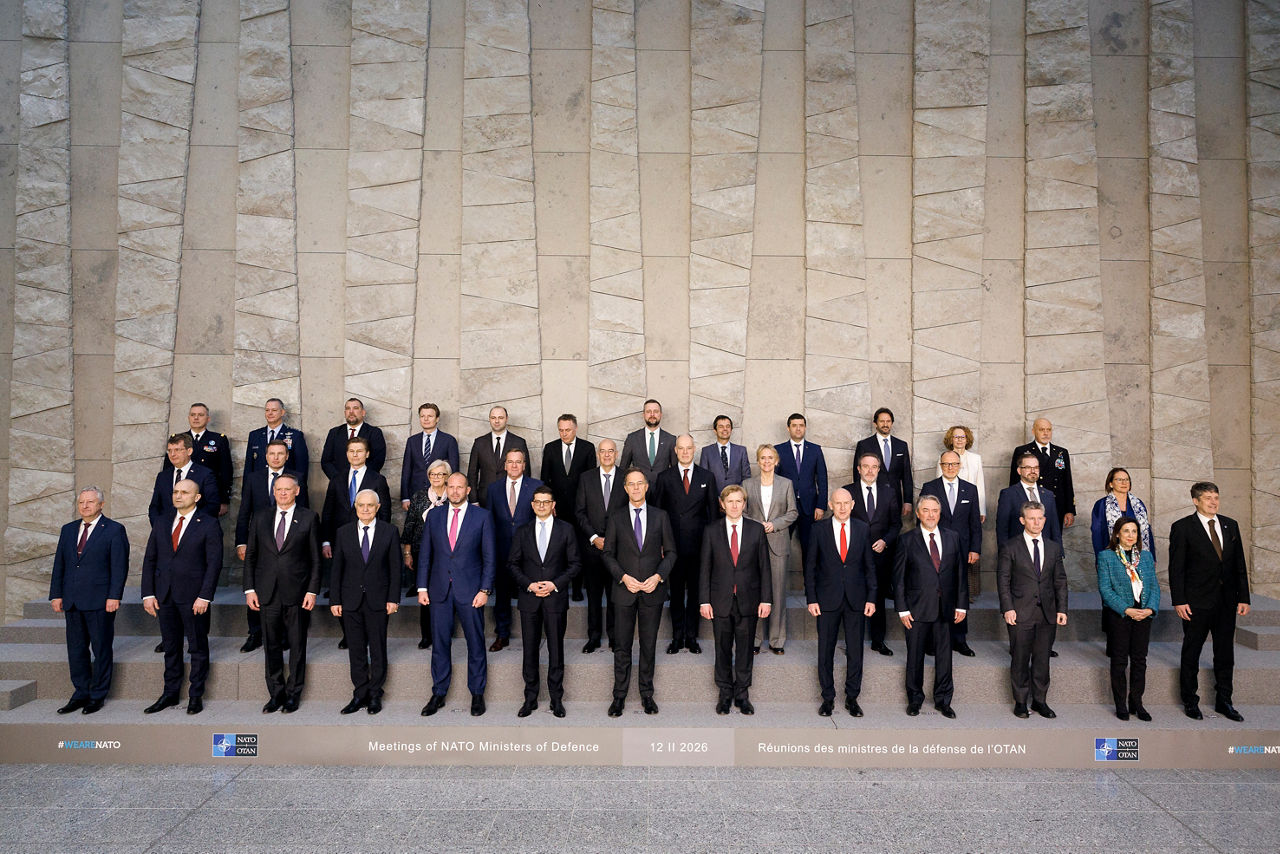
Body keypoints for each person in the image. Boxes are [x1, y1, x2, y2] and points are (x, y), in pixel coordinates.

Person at [1169, 481, 1251, 722]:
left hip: (1226, 602)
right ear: (1196, 501)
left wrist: (1243, 597)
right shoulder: (1183, 528)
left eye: (1216, 497)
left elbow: (1239, 565)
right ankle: (1190, 701)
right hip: (1195, 602)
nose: (1213, 501)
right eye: (1207, 498)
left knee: (1225, 653)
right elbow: (1176, 568)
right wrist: (1179, 600)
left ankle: (1224, 700)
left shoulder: (1230, 525)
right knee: (1191, 652)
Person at [140, 479, 223, 715]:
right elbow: (150, 559)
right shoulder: (162, 521)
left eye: (184, 492)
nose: (178, 495)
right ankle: (170, 693)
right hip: (164, 595)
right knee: (171, 647)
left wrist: (205, 596)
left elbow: (214, 563)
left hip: (193, 597)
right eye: (175, 491)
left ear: (197, 497)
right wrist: (148, 593)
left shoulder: (208, 524)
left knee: (197, 646)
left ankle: (195, 695)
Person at [418, 473, 496, 717]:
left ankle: (477, 693)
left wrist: (485, 590)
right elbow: (425, 554)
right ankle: (439, 693)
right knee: (440, 643)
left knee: (475, 643)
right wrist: (422, 587)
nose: (454, 491)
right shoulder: (434, 515)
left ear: (468, 490)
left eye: (459, 487)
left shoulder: (481, 517)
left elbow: (489, 557)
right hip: (439, 589)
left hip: (471, 591)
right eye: (450, 487)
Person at [242, 472, 321, 714]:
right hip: (266, 592)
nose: (283, 493)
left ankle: (293, 694)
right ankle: (275, 694)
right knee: (271, 645)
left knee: (297, 646)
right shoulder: (260, 517)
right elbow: (251, 557)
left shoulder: (308, 518)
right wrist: (249, 589)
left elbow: (316, 560)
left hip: (297, 593)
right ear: (273, 491)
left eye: (288, 489)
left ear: (297, 491)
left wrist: (312, 591)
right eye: (279, 489)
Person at [603, 467, 677, 716]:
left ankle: (647, 694)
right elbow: (608, 554)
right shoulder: (615, 517)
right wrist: (623, 577)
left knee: (648, 645)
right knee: (622, 647)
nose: (635, 488)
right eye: (631, 484)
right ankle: (619, 696)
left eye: (640, 483)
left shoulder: (661, 516)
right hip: (624, 592)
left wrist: (658, 577)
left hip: (651, 590)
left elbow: (672, 553)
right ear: (625, 489)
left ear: (646, 487)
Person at [49, 486, 129, 715]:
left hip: (100, 601)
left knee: (101, 649)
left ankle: (97, 696)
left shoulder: (114, 530)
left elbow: (119, 566)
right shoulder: (68, 530)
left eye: (90, 502)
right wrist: (56, 594)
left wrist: (114, 596)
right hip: (72, 601)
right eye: (81, 502)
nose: (85, 506)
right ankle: (80, 692)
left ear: (101, 504)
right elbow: (60, 565)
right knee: (76, 650)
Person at [508, 485, 581, 718]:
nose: (541, 505)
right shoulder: (522, 531)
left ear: (553, 505)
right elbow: (512, 564)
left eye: (546, 501)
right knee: (529, 649)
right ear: (532, 505)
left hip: (555, 598)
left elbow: (575, 564)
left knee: (556, 650)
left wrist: (554, 584)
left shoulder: (566, 530)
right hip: (529, 599)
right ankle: (530, 698)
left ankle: (556, 699)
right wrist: (529, 584)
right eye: (537, 501)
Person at [699, 485, 771, 715]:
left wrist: (766, 600)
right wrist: (704, 601)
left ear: (744, 503)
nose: (734, 505)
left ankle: (742, 694)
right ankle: (725, 693)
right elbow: (705, 569)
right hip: (720, 600)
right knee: (722, 648)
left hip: (748, 600)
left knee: (745, 648)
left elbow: (765, 568)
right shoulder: (711, 531)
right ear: (722, 504)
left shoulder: (756, 530)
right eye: (729, 501)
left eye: (738, 501)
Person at [805, 488, 876, 717]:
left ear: (853, 504)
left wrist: (872, 598)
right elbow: (810, 568)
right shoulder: (818, 530)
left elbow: (869, 567)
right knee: (825, 650)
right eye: (838, 503)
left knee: (856, 651)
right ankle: (828, 698)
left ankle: (852, 698)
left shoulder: (863, 529)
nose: (843, 507)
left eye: (847, 503)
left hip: (856, 599)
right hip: (826, 600)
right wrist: (812, 599)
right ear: (831, 505)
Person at [330, 489, 401, 716]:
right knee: (356, 649)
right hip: (350, 600)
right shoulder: (343, 533)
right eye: (361, 505)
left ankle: (375, 693)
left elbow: (395, 569)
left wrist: (393, 598)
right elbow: (337, 569)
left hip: (378, 600)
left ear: (378, 507)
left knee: (378, 648)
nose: (366, 509)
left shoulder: (389, 532)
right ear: (356, 506)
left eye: (370, 505)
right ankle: (359, 693)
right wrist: (335, 599)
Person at [894, 495, 966, 718]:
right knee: (915, 655)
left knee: (945, 657)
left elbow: (960, 574)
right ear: (918, 513)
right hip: (916, 609)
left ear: (940, 512)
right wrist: (902, 609)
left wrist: (961, 605)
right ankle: (914, 699)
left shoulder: (953, 537)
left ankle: (943, 700)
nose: (931, 514)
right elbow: (899, 579)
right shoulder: (907, 540)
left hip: (945, 608)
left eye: (935, 510)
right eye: (926, 510)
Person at [234, 439, 308, 653]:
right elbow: (244, 511)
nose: (276, 457)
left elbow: (304, 512)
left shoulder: (296, 478)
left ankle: (283, 635)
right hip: (259, 544)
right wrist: (241, 541)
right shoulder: (253, 478)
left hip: (287, 544)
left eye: (280, 453)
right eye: (271, 453)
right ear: (265, 456)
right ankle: (255, 633)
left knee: (284, 589)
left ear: (287, 456)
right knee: (257, 587)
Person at [996, 501, 1068, 719]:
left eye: (1040, 518)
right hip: (1019, 612)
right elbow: (1003, 580)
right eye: (1031, 518)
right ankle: (1020, 701)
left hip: (1047, 612)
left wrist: (1062, 608)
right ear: (1022, 520)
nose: (1036, 522)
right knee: (1020, 657)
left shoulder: (1054, 547)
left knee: (1042, 658)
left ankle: (1039, 700)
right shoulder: (1010, 546)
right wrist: (1007, 608)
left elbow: (1060, 580)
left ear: (1044, 520)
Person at [652, 434, 718, 654]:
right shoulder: (665, 477)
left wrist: (711, 547)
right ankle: (676, 637)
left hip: (699, 547)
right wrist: (660, 544)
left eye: (689, 448)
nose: (685, 452)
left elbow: (712, 514)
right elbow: (658, 514)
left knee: (697, 594)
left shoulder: (706, 476)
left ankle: (692, 637)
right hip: (673, 547)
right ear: (676, 451)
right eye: (681, 448)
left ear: (694, 449)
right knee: (677, 594)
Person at [919, 451, 982, 657]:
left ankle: (959, 640)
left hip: (962, 550)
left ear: (960, 465)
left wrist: (975, 548)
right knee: (934, 593)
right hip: (935, 549)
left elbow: (974, 523)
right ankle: (932, 640)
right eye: (946, 464)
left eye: (954, 464)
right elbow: (922, 519)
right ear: (941, 465)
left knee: (960, 593)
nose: (950, 467)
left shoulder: (970, 489)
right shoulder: (930, 487)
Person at [1096, 518, 1159, 721]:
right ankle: (1120, 703)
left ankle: (1136, 702)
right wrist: (1126, 609)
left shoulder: (1146, 557)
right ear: (1117, 534)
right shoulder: (1106, 556)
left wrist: (1150, 609)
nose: (1131, 535)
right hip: (1120, 615)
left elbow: (1155, 587)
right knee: (1120, 660)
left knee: (1140, 660)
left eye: (1134, 531)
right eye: (1126, 531)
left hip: (1143, 614)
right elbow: (1105, 589)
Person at [485, 447, 542, 651]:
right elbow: (488, 521)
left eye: (519, 462)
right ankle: (502, 633)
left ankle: (533, 633)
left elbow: (541, 519)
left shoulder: (536, 486)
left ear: (524, 465)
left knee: (530, 591)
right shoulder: (493, 489)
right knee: (502, 594)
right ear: (505, 465)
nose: (514, 465)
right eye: (511, 462)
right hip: (501, 550)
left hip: (528, 551)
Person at [744, 444, 797, 655]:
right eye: (762, 458)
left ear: (776, 461)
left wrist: (774, 524)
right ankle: (755, 639)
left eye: (770, 458)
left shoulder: (786, 484)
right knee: (755, 592)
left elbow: (793, 512)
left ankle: (777, 640)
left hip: (778, 544)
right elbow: (742, 511)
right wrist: (756, 526)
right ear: (758, 461)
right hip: (753, 545)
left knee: (777, 593)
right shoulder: (747, 484)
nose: (766, 462)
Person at [846, 453, 901, 656]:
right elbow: (841, 523)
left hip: (880, 556)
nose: (870, 470)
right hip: (853, 556)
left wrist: (885, 541)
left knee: (877, 597)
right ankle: (853, 642)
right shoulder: (847, 492)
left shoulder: (889, 493)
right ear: (858, 469)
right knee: (853, 598)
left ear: (879, 469)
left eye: (874, 467)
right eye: (865, 466)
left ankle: (878, 641)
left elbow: (897, 524)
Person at [575, 438, 626, 653]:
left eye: (610, 451)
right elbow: (579, 511)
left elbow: (630, 512)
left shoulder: (626, 478)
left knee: (616, 594)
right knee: (594, 595)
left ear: (616, 454)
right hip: (593, 547)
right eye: (603, 451)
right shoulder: (586, 478)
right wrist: (594, 537)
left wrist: (614, 539)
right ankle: (594, 637)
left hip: (618, 548)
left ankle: (615, 637)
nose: (606, 455)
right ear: (598, 454)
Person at [539, 413, 596, 601]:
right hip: (556, 509)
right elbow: (544, 479)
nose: (564, 434)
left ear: (576, 428)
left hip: (580, 509)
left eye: (568, 430)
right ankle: (558, 585)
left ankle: (578, 587)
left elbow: (590, 481)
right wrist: (550, 504)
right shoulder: (550, 448)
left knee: (577, 548)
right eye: (561, 430)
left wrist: (586, 507)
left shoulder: (587, 448)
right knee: (557, 547)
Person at [401, 459, 452, 649]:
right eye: (432, 474)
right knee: (425, 594)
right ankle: (427, 635)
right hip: (422, 552)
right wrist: (407, 552)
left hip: (448, 554)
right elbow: (410, 524)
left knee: (446, 593)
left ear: (447, 476)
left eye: (440, 474)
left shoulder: (454, 496)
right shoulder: (420, 496)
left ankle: (445, 631)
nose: (436, 478)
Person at [774, 412, 827, 565]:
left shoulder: (815, 450)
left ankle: (809, 588)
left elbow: (822, 479)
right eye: (794, 426)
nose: (798, 429)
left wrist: (820, 506)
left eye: (801, 425)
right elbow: (774, 479)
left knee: (809, 549)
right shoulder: (779, 449)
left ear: (805, 428)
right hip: (784, 508)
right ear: (788, 428)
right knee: (780, 548)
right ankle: (778, 587)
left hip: (809, 508)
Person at [163, 403, 232, 516]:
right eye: (193, 415)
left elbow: (225, 472)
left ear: (208, 419)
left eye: (200, 415)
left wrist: (224, 500)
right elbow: (168, 469)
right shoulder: (177, 439)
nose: (196, 418)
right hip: (180, 496)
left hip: (207, 496)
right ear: (188, 418)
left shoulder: (219, 440)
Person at [1007, 417, 1075, 531]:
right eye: (1042, 429)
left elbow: (1067, 482)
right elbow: (1014, 482)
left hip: (1055, 506)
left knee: (1053, 542)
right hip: (1030, 507)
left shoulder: (1061, 452)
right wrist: (1014, 508)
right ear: (1033, 431)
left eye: (1049, 430)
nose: (1046, 433)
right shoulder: (1022, 451)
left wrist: (1070, 510)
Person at [466, 405, 530, 508]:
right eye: (493, 418)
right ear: (489, 419)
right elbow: (472, 473)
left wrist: (523, 500)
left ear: (506, 419)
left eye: (500, 418)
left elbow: (526, 473)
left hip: (511, 499)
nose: (497, 421)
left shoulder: (519, 442)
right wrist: (473, 500)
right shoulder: (479, 443)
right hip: (484, 500)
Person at [148, 433, 219, 525]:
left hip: (194, 531)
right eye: (170, 450)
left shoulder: (205, 474)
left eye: (177, 450)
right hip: (165, 532)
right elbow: (154, 507)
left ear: (189, 451)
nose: (172, 454)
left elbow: (212, 506)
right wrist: (159, 527)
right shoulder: (163, 476)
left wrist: (188, 526)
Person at [854, 407, 913, 517]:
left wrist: (908, 501)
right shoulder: (864, 445)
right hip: (872, 498)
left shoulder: (901, 445)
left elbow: (907, 476)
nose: (885, 424)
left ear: (892, 423)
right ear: (875, 423)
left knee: (894, 529)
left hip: (895, 498)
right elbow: (857, 475)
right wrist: (859, 500)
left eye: (888, 421)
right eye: (882, 421)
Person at [400, 402, 460, 509]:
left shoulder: (448, 440)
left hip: (441, 495)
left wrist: (452, 494)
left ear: (437, 419)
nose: (426, 419)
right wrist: (405, 497)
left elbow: (454, 471)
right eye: (422, 416)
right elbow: (406, 470)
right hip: (416, 495)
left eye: (430, 416)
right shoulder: (412, 441)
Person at [996, 452, 1062, 546]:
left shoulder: (1048, 495)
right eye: (1028, 467)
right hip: (1018, 552)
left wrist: (1059, 553)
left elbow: (1055, 527)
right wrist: (1004, 555)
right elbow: (1002, 529)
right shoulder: (1008, 494)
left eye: (1036, 467)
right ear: (1019, 470)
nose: (1033, 471)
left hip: (1046, 551)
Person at [244, 398, 308, 487]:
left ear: (282, 412)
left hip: (285, 489)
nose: (270, 413)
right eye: (267, 410)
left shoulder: (295, 436)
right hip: (259, 488)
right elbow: (249, 467)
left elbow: (301, 468)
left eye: (274, 410)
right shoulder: (255, 435)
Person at [1090, 467, 1155, 557]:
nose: (1124, 483)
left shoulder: (1138, 504)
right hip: (1111, 556)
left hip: (1139, 555)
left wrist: (1152, 556)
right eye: (1119, 480)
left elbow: (1147, 530)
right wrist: (1100, 557)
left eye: (1126, 479)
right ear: (1111, 484)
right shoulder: (1101, 505)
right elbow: (1097, 533)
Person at [320, 397, 387, 479]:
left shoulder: (374, 433)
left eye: (355, 408)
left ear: (363, 412)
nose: (351, 412)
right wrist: (338, 480)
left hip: (366, 484)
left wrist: (359, 479)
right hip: (338, 486)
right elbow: (326, 461)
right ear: (345, 413)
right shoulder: (334, 432)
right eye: (348, 408)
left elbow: (378, 461)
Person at [619, 398, 677, 479]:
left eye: (656, 411)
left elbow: (676, 470)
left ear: (660, 414)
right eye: (648, 411)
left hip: (663, 489)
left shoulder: (671, 440)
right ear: (643, 414)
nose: (652, 414)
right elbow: (623, 469)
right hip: (638, 489)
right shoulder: (632, 439)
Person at [936, 425, 985, 520]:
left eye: (963, 437)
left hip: (971, 503)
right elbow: (939, 484)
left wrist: (981, 510)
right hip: (949, 504)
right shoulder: (943, 457)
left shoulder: (976, 458)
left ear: (967, 439)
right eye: (956, 437)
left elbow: (980, 485)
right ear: (951, 440)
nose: (960, 440)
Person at [699, 414, 752, 494]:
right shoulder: (706, 451)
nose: (725, 429)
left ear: (731, 429)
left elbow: (746, 478)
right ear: (715, 430)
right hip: (714, 500)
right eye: (721, 426)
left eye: (728, 426)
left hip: (736, 500)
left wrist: (736, 496)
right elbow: (703, 478)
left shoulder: (741, 451)